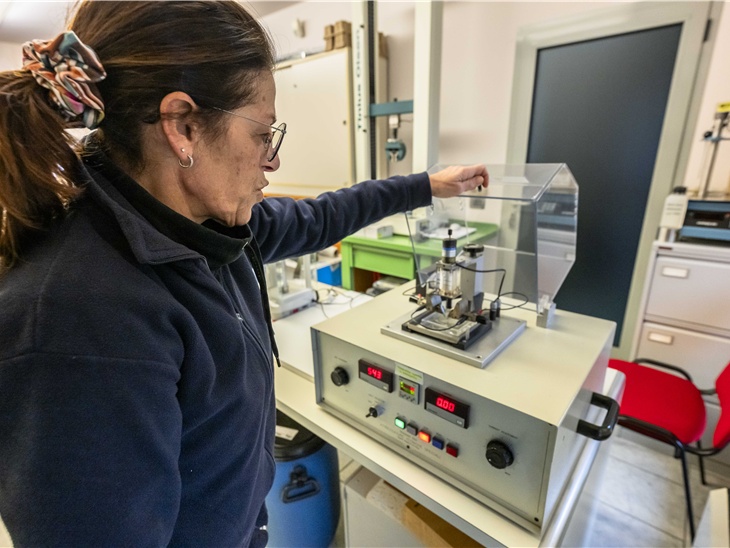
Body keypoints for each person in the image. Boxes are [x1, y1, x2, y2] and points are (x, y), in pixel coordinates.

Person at [0, 1, 488, 546]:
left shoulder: (198, 223)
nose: (272, 161)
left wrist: (425, 186)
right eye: (262, 135)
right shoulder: (76, 323)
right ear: (183, 126)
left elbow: (320, 216)